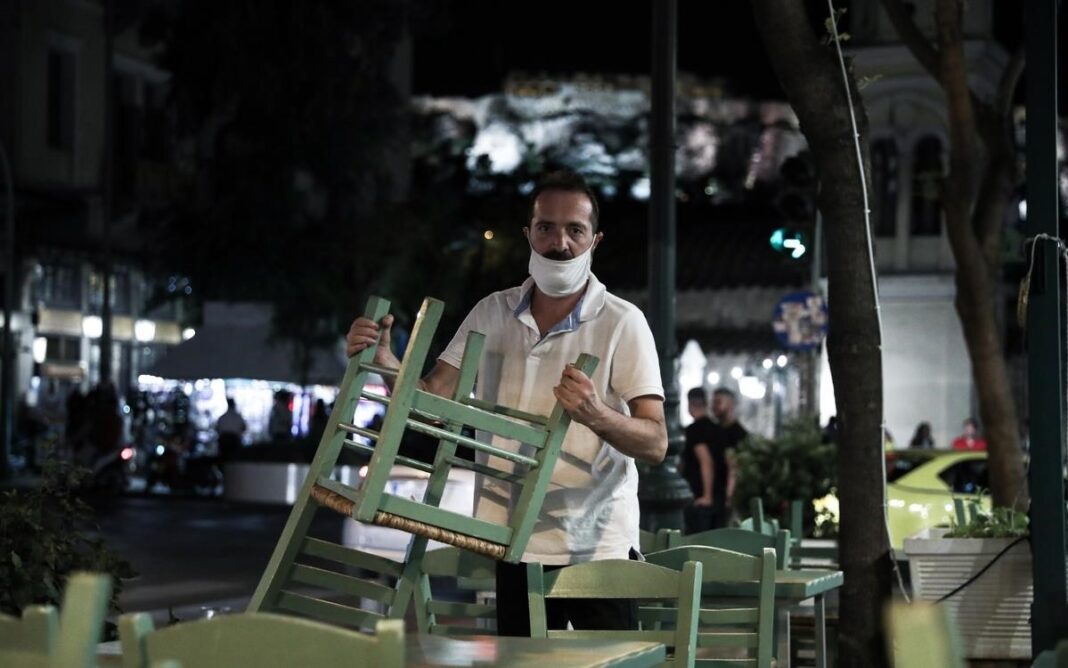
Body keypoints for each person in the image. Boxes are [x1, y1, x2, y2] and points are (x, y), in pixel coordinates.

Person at [346, 169, 667, 635]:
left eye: (575, 230)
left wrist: (597, 414)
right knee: (520, 663)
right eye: (546, 227)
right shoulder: (491, 312)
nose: (560, 243)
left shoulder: (622, 321)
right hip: (512, 541)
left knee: (608, 663)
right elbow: (430, 404)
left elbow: (656, 442)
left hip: (597, 546)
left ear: (595, 240)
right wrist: (385, 362)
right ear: (528, 234)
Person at [708, 387, 747, 527]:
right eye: (713, 402)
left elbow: (735, 466)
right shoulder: (714, 430)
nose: (714, 406)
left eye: (718, 402)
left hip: (725, 496)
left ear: (731, 404)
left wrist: (729, 496)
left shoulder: (739, 434)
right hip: (715, 493)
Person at [681, 387, 716, 534]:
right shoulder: (717, 428)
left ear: (690, 404)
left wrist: (707, 496)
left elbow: (705, 461)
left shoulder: (694, 430)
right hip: (718, 496)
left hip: (699, 497)